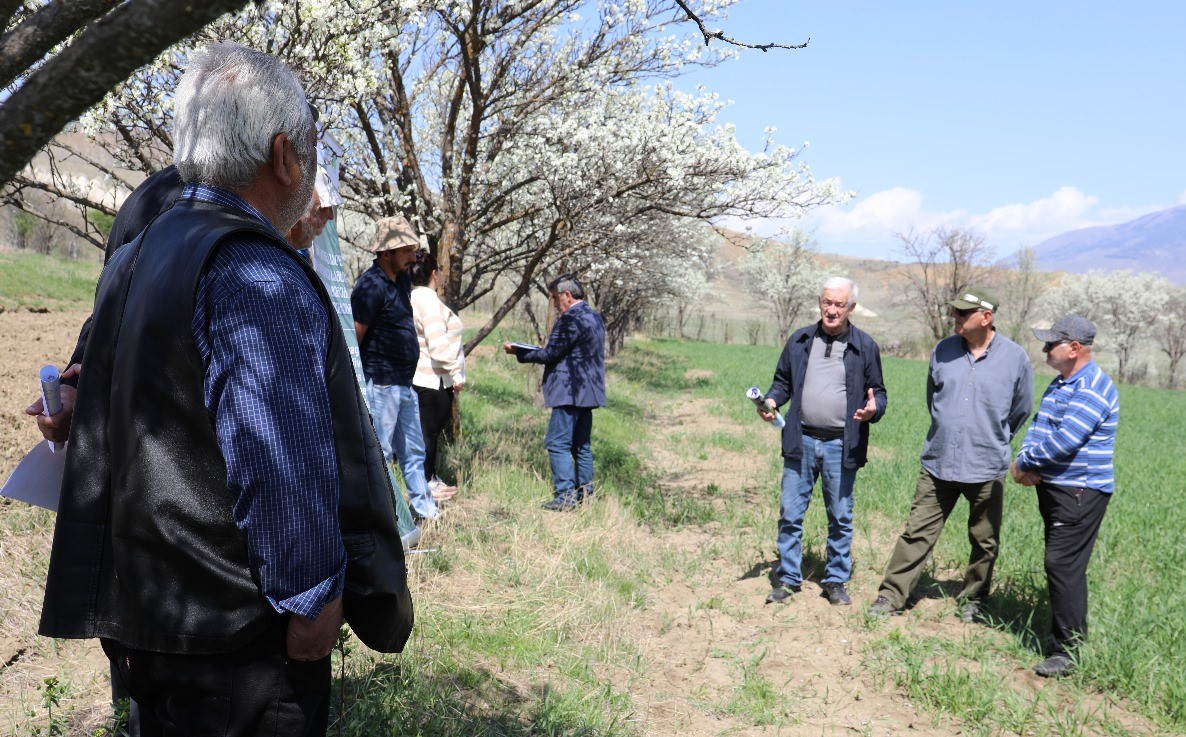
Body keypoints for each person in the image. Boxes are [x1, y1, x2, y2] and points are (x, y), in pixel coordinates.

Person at [37, 42, 409, 735]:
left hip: (152, 625)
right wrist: (313, 612)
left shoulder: (140, 252)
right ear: (284, 156)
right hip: (238, 653)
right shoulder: (252, 271)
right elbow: (279, 467)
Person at [868, 288, 1033, 621]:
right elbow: (934, 401)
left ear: (986, 317)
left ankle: (974, 599)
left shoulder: (1016, 359)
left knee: (984, 541)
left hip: (986, 465)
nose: (954, 317)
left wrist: (992, 438)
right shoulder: (942, 351)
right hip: (938, 461)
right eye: (955, 312)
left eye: (962, 313)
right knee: (916, 532)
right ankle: (891, 596)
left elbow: (1021, 409)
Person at [757, 277, 886, 605]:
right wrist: (771, 402)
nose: (831, 310)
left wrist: (875, 409)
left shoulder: (865, 346)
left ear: (851, 308)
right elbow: (782, 383)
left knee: (840, 516)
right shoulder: (800, 340)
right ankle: (788, 579)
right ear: (820, 302)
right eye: (826, 303)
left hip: (841, 446)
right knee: (790, 513)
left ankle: (835, 579)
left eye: (839, 305)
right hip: (800, 440)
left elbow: (879, 392)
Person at [1010, 314, 1118, 678]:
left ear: (1074, 348)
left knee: (1062, 564)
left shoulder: (1092, 387)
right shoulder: (1062, 383)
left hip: (1079, 492)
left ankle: (1067, 652)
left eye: (1051, 343)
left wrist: (1023, 462)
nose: (1044, 349)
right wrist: (1030, 464)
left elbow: (1067, 439)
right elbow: (1041, 427)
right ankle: (1065, 638)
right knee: (1063, 565)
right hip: (1057, 488)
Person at [351, 215, 439, 521]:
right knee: (382, 454)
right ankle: (384, 518)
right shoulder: (369, 286)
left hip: (404, 383)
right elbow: (356, 334)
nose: (412, 256)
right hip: (381, 384)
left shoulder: (401, 280)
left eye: (413, 250)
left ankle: (426, 512)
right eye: (405, 251)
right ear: (386, 253)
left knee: (414, 452)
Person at [503, 274, 606, 512]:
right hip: (589, 391)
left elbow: (550, 354)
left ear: (567, 296)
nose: (555, 304)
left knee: (557, 443)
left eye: (555, 298)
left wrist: (519, 352)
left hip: (569, 390)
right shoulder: (594, 317)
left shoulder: (570, 319)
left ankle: (565, 497)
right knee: (581, 445)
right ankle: (586, 495)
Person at [408, 249, 465, 499]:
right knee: (428, 434)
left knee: (428, 433)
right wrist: (456, 372)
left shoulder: (414, 296)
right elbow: (437, 343)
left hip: (427, 377)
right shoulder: (428, 300)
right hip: (434, 379)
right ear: (434, 273)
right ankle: (426, 484)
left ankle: (429, 478)